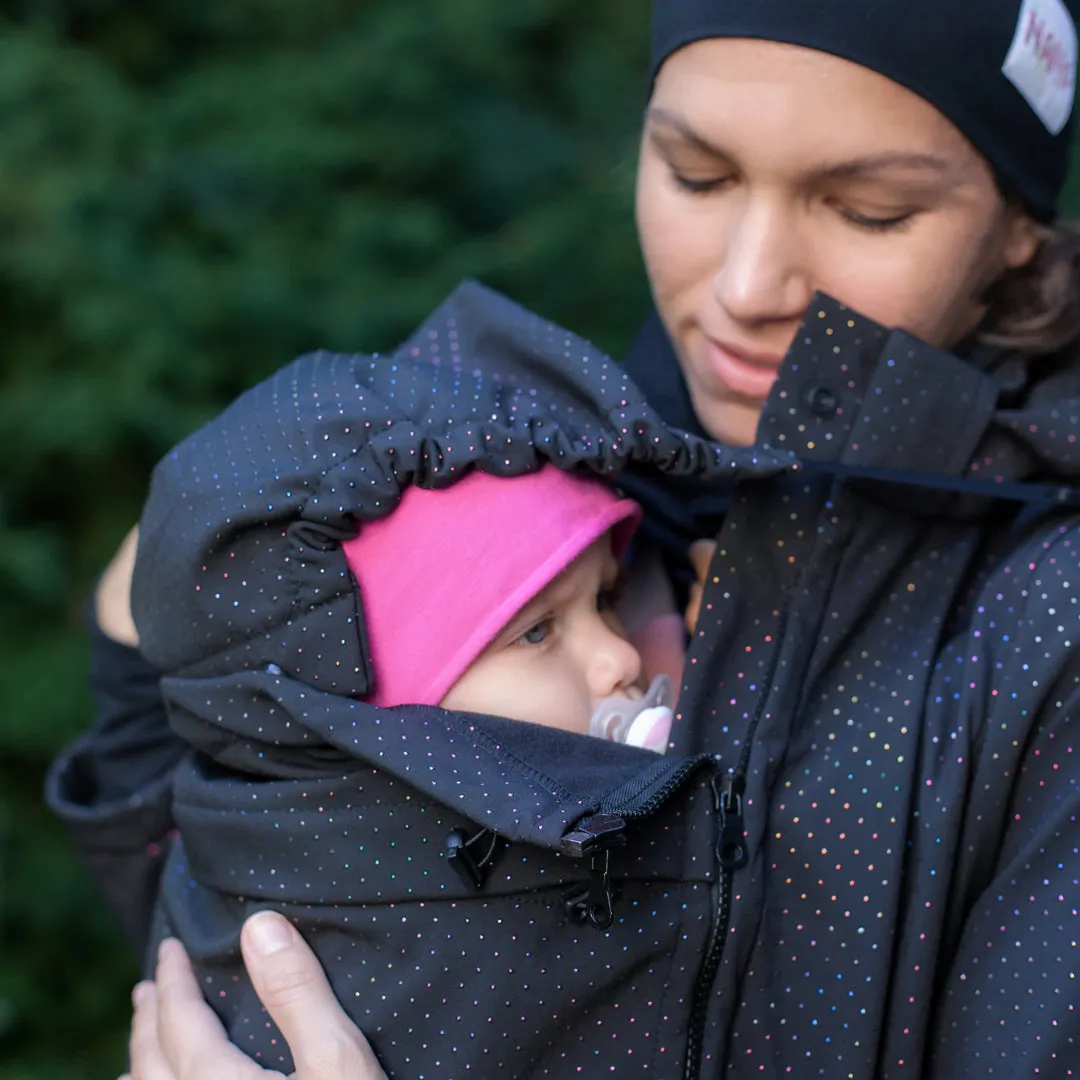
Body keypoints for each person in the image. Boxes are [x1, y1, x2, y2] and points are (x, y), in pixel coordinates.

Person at [52, 0, 1080, 1076]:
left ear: (1016, 226)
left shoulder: (1042, 627)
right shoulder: (491, 444)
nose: (746, 287)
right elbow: (264, 878)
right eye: (697, 174)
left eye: (869, 209)